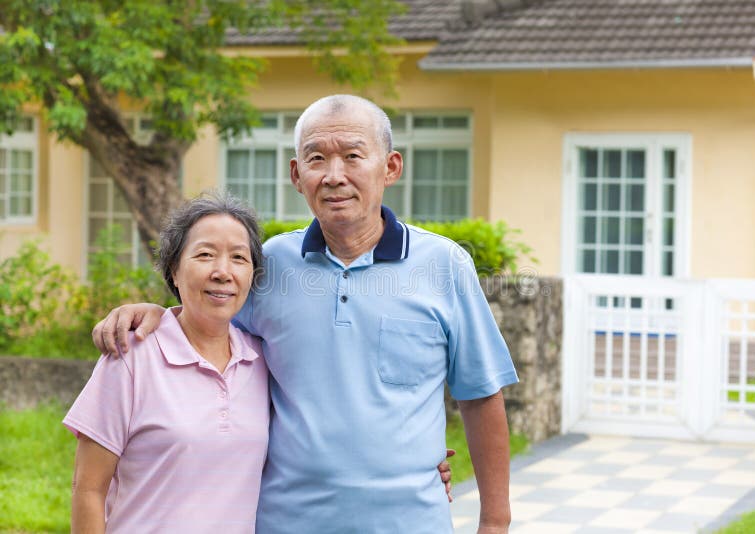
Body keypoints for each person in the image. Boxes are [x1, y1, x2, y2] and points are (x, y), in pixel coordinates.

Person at [94, 94, 518, 533]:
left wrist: (494, 522)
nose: (335, 176)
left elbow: (481, 394)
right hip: (285, 521)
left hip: (410, 520)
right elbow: (208, 334)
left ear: (390, 167)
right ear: (297, 175)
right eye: (317, 159)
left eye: (353, 156)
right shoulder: (268, 266)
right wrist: (157, 313)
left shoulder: (444, 266)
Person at [66, 193, 270, 531]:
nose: (223, 272)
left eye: (239, 258)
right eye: (205, 255)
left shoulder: (262, 361)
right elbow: (88, 488)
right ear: (174, 269)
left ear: (252, 274)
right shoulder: (131, 356)